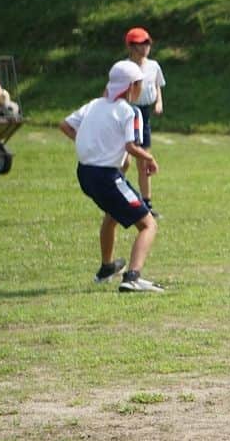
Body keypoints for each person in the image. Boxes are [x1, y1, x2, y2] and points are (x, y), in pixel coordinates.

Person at [60, 60, 164, 293]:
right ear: (131, 87)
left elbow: (65, 125)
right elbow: (130, 146)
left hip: (85, 174)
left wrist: (90, 144)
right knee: (148, 225)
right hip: (107, 177)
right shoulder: (130, 111)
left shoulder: (94, 104)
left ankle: (107, 267)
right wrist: (149, 158)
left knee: (113, 213)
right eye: (139, 84)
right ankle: (133, 277)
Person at [124, 27, 166, 218]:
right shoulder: (124, 67)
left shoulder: (154, 66)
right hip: (127, 112)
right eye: (142, 43)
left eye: (148, 42)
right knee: (124, 161)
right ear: (131, 47)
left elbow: (157, 85)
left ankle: (146, 204)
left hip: (144, 114)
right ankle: (119, 197)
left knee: (144, 161)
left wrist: (158, 102)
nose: (146, 46)